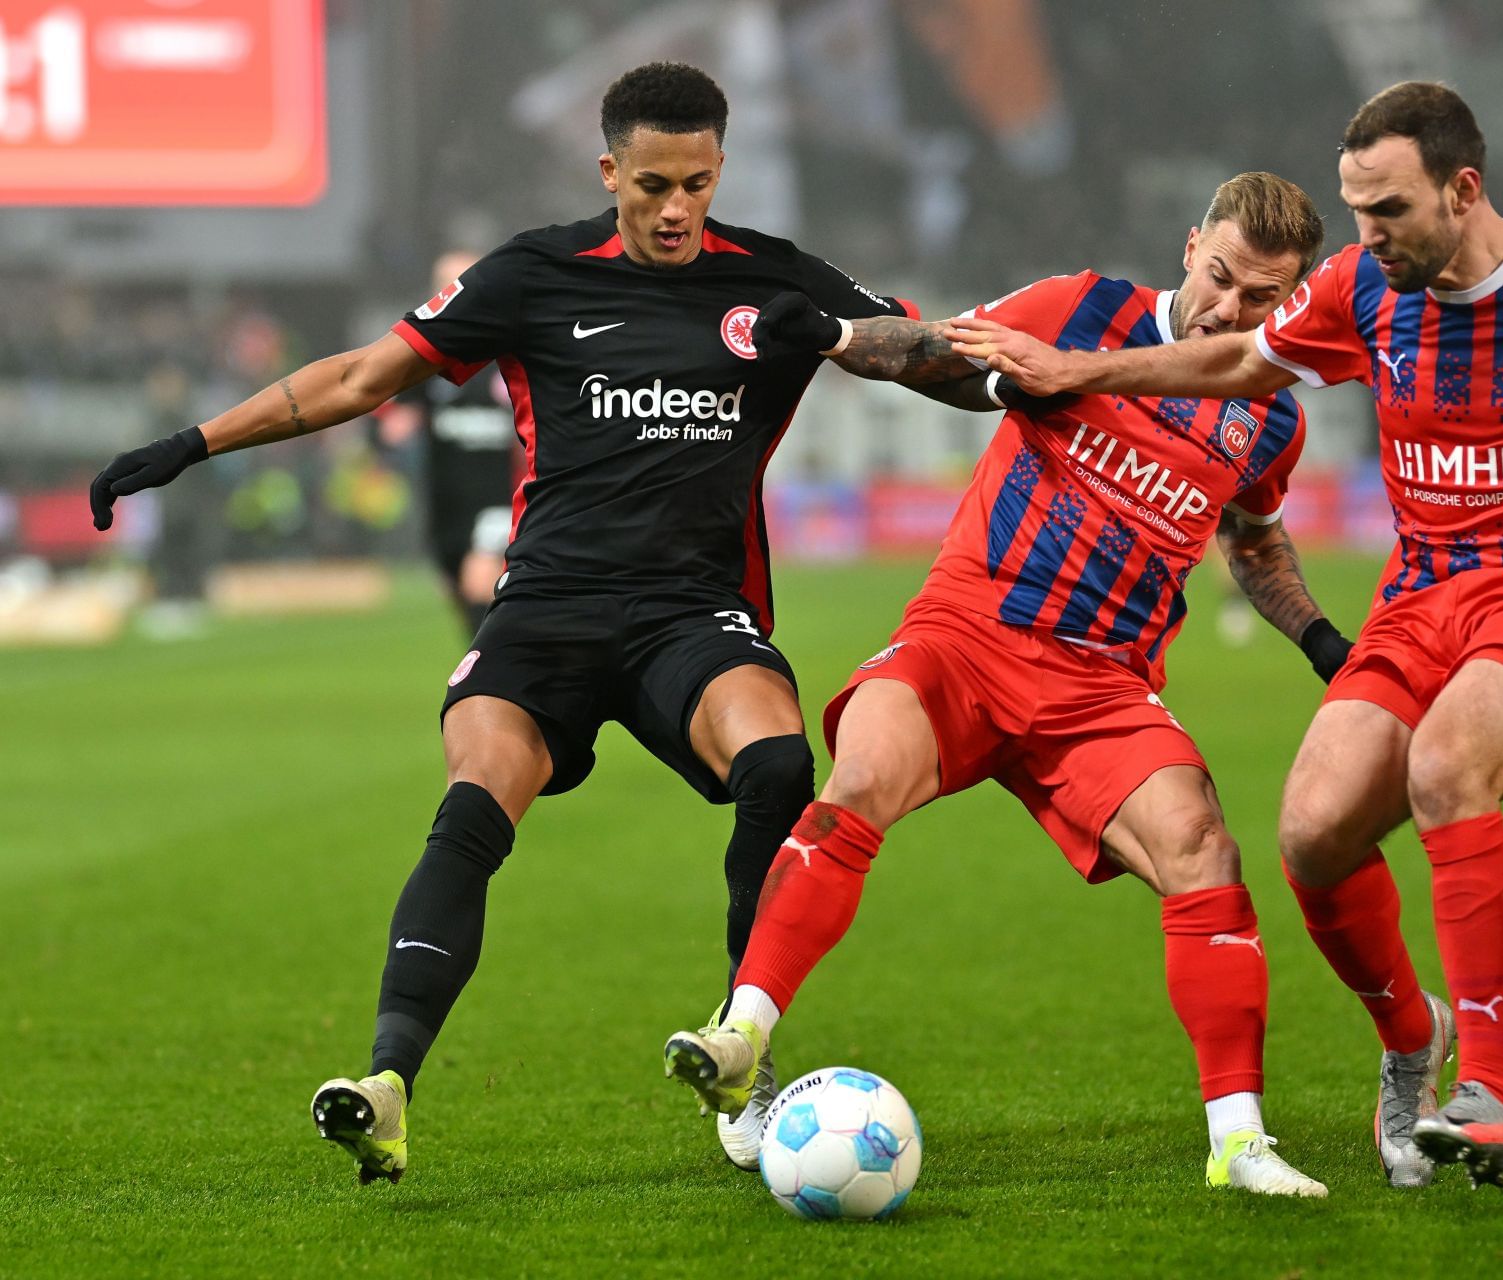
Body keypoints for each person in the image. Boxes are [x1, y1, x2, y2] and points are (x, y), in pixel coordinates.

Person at [87, 62, 967, 1184]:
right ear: (609, 171)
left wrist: (843, 338)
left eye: (697, 182)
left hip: (692, 612)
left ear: (721, 170)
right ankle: (389, 1081)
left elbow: (938, 357)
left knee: (781, 763)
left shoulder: (774, 278)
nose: (675, 208)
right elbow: (364, 376)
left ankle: (743, 1053)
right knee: (472, 802)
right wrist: (192, 444)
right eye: (651, 182)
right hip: (545, 609)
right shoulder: (534, 273)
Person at [945, 82, 1503, 1189]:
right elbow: (1234, 361)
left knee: (1446, 762)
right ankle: (1412, 1041)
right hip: (1423, 601)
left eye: (1389, 211)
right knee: (1312, 830)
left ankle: (1492, 1093)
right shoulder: (1365, 287)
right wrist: (1080, 370)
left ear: (1464, 191)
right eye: (1356, 208)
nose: (1365, 237)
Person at [663, 173, 1355, 1197]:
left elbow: (1252, 541)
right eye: (1220, 279)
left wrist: (1321, 639)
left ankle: (1239, 1141)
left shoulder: (1265, 413)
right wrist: (837, 338)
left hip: (1101, 687)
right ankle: (739, 1040)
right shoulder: (1081, 310)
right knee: (858, 778)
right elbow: (938, 348)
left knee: (1203, 847)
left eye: (1261, 299)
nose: (1229, 312)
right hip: (968, 636)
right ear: (1189, 245)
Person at [375, 250, 523, 638]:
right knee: (464, 601)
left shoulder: (511, 353)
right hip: (446, 507)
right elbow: (394, 423)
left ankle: (493, 685)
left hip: (501, 500)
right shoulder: (426, 365)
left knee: (480, 585)